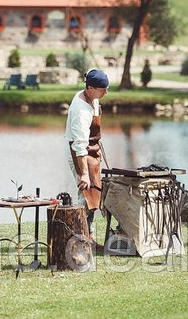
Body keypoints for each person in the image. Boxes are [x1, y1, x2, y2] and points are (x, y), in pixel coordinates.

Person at [65, 69, 109, 244]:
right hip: (80, 153)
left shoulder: (93, 97)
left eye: (107, 88)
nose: (106, 92)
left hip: (92, 151)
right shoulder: (80, 111)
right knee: (86, 195)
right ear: (90, 88)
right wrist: (83, 174)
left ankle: (86, 236)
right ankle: (82, 238)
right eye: (102, 89)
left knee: (95, 195)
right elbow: (79, 146)